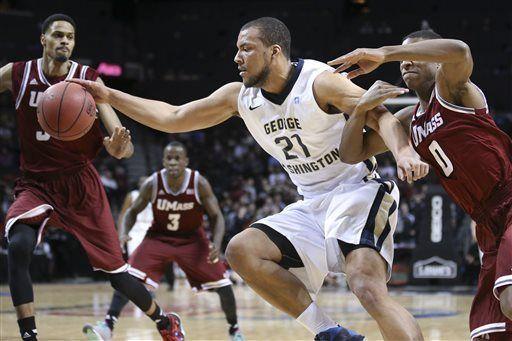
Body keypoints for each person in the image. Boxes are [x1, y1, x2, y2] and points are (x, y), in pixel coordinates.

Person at [71, 17, 427, 341]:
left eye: (246, 49)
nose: (237, 57)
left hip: (356, 191)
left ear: (274, 52)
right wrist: (109, 96)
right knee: (242, 250)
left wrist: (403, 152)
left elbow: (380, 114)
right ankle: (329, 333)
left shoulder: (319, 82)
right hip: (311, 203)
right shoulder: (240, 98)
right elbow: (173, 116)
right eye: (237, 50)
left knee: (366, 288)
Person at [0, 14, 182, 341]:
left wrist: (117, 147)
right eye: (57, 35)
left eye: (70, 36)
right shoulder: (18, 73)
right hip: (36, 184)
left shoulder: (87, 80)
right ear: (43, 39)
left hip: (80, 185)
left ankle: (165, 321)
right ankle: (29, 334)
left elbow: (122, 147)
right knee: (18, 246)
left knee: (117, 274)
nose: (64, 41)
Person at [330, 30, 512, 340]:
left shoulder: (454, 90)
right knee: (491, 333)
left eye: (416, 54)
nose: (407, 61)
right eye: (403, 57)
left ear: (436, 63)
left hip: (509, 201)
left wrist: (385, 53)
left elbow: (459, 49)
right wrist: (361, 109)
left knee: (510, 301)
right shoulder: (407, 119)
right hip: (487, 223)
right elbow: (351, 153)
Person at [84, 141, 245, 341]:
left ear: (186, 161)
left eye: (177, 158)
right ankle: (107, 325)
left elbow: (217, 216)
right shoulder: (153, 183)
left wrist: (217, 243)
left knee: (224, 285)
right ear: (163, 161)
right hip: (158, 237)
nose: (173, 162)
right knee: (127, 277)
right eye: (169, 158)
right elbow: (131, 212)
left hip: (193, 240)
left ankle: (234, 330)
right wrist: (123, 233)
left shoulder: (198, 183)